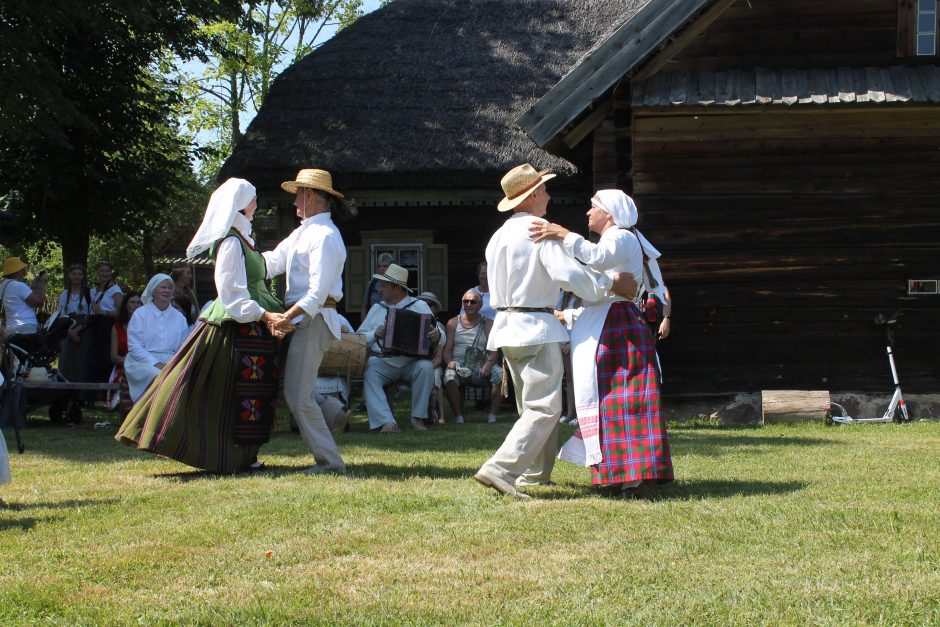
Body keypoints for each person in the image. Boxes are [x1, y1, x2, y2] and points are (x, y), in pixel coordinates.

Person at [473, 164, 636, 500]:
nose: (548, 194)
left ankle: (534, 475)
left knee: (532, 406)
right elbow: (571, 277)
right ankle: (501, 468)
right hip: (535, 328)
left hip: (507, 329)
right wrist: (610, 286)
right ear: (532, 195)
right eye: (544, 189)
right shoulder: (539, 230)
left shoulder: (498, 236)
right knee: (545, 408)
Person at [117, 179, 286, 473]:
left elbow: (266, 266)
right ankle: (222, 454)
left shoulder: (245, 240)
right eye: (254, 199)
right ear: (243, 203)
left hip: (252, 329)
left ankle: (245, 455)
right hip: (235, 329)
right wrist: (264, 315)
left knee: (252, 396)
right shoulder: (232, 242)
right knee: (227, 394)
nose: (258, 205)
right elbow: (232, 293)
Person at [530, 189, 673, 497]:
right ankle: (621, 475)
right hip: (612, 321)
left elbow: (594, 259)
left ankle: (632, 478)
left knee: (620, 398)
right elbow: (597, 284)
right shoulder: (618, 239)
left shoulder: (619, 237)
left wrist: (562, 233)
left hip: (617, 327)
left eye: (592, 207)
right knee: (612, 399)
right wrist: (568, 314)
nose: (587, 213)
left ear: (609, 213)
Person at [264, 168, 357, 475]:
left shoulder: (326, 236)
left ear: (311, 195)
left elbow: (317, 294)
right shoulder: (303, 232)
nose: (294, 203)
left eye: (298, 195)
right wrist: (238, 251)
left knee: (297, 395)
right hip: (305, 319)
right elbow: (272, 262)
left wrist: (285, 318)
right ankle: (332, 411)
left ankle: (330, 463)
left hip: (314, 319)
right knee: (294, 389)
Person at [357, 264, 440, 433]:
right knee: (371, 370)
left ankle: (417, 418)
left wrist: (436, 334)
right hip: (385, 361)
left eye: (384, 286)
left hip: (412, 362)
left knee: (426, 367)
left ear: (397, 288)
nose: (380, 289)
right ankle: (387, 422)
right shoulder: (377, 308)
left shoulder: (419, 306)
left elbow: (439, 335)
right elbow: (359, 339)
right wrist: (375, 334)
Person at [120, 274, 189, 403]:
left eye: (169, 287)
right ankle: (148, 414)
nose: (167, 290)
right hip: (142, 361)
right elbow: (135, 347)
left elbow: (183, 347)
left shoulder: (180, 318)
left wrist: (173, 363)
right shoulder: (140, 314)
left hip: (171, 360)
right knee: (157, 375)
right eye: (163, 287)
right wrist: (156, 363)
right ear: (153, 291)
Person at [442, 289, 502, 424]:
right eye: (465, 301)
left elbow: (494, 351)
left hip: (482, 363)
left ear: (480, 306)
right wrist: (450, 362)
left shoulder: (488, 323)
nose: (468, 304)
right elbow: (447, 349)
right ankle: (459, 417)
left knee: (501, 375)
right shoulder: (453, 322)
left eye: (473, 302)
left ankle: (492, 415)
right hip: (459, 364)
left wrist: (489, 364)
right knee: (449, 377)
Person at [55, 263, 92, 383]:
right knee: (66, 360)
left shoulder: (89, 293)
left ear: (83, 276)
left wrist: (78, 329)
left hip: (84, 329)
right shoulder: (64, 294)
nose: (77, 276)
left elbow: (91, 315)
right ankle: (64, 393)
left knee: (81, 361)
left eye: (80, 274)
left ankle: (81, 395)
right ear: (69, 276)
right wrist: (70, 331)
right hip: (67, 329)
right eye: (74, 274)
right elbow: (61, 315)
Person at [108, 290, 142, 417]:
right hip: (123, 366)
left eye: (139, 303)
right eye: (132, 302)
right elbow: (113, 356)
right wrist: (129, 364)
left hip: (143, 365)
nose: (136, 305)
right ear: (126, 305)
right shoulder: (116, 328)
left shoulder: (146, 326)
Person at [416, 290, 446, 424]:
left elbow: (439, 359)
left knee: (436, 377)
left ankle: (441, 416)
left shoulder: (439, 327)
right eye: (423, 303)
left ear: (435, 308)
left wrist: (428, 367)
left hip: (433, 364)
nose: (427, 306)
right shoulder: (413, 325)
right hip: (414, 364)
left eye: (430, 304)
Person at [1, 257, 48, 337]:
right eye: (22, 268)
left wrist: (32, 287)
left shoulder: (3, 286)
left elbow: (17, 297)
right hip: (25, 328)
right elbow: (39, 303)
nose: (24, 270)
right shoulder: (19, 286)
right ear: (17, 271)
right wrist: (42, 283)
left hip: (11, 329)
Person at [359, 252, 393, 322]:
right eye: (379, 266)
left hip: (390, 322)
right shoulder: (372, 284)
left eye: (385, 266)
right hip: (372, 323)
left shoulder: (396, 285)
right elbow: (364, 307)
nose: (381, 269)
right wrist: (364, 325)